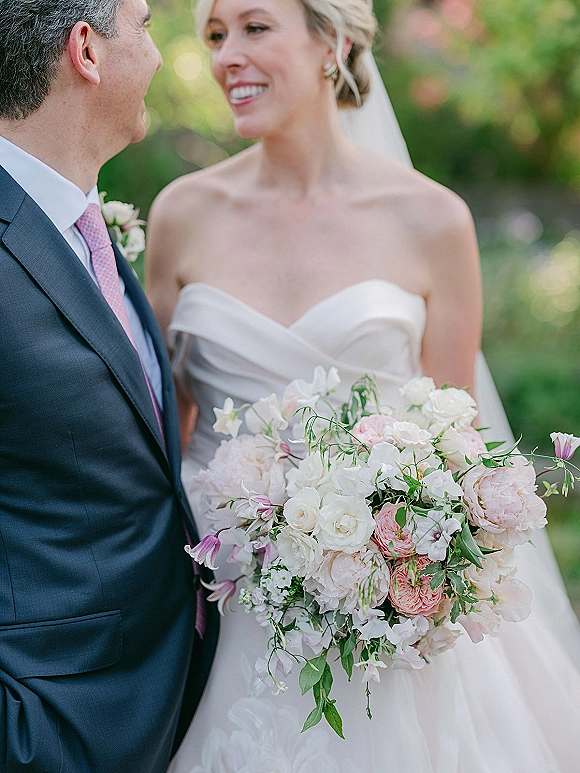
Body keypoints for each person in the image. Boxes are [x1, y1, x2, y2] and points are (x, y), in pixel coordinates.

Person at [147, 0, 580, 769]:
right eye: (214, 36)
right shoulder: (182, 214)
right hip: (223, 607)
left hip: (390, 620)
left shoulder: (432, 219)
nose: (225, 57)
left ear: (332, 42)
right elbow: (162, 431)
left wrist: (396, 554)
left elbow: (461, 444)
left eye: (254, 28)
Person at [0, 1, 218, 771]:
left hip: (175, 699)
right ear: (87, 49)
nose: (161, 55)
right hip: (49, 728)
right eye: (148, 23)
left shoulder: (86, 226)